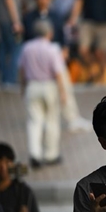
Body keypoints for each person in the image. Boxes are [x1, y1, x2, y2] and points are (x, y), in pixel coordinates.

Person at [24, 0, 89, 133]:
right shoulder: (29, 18)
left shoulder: (56, 16)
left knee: (65, 87)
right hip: (38, 61)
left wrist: (65, 50)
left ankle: (72, 118)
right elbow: (27, 41)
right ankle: (43, 121)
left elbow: (63, 36)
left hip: (55, 58)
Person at [18, 19, 67, 168]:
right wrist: (63, 92)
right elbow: (58, 73)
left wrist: (22, 87)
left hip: (32, 85)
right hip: (49, 86)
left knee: (34, 121)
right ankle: (50, 154)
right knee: (52, 120)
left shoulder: (26, 48)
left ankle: (35, 154)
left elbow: (21, 69)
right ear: (49, 33)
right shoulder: (53, 49)